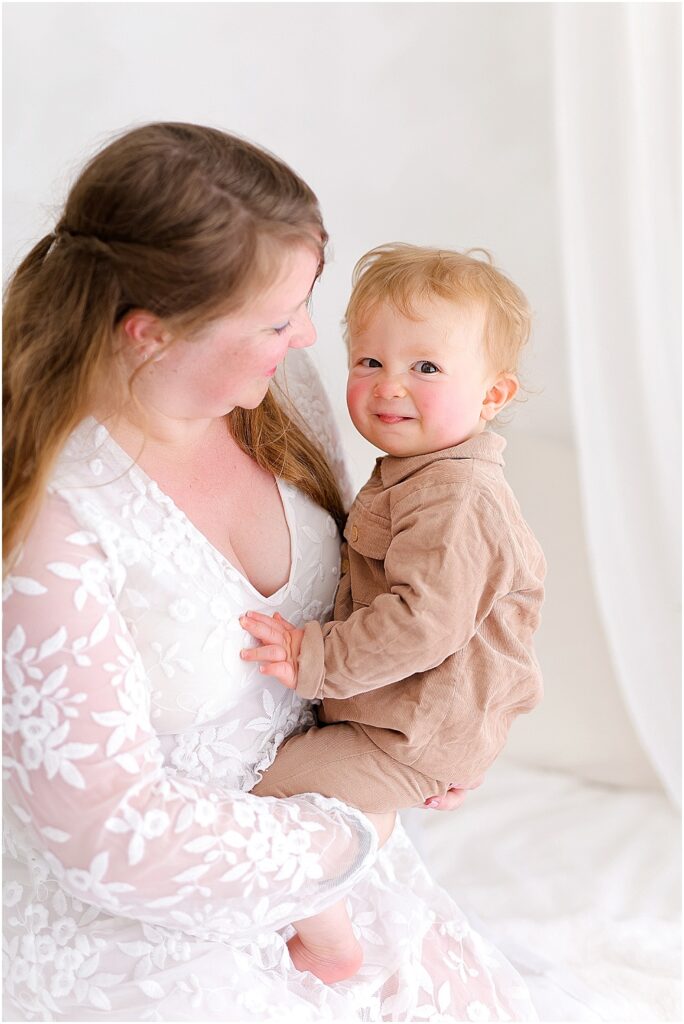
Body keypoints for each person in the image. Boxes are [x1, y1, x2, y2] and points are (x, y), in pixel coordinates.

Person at [2, 122, 538, 1022]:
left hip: (344, 845)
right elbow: (105, 836)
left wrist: (441, 729)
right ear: (150, 337)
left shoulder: (273, 403)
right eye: (278, 318)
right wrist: (344, 832)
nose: (310, 337)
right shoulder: (49, 522)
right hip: (160, 927)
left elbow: (417, 597)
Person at [240, 243, 546, 982]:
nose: (390, 387)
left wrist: (314, 658)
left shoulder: (457, 498)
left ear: (492, 396)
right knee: (333, 789)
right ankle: (356, 855)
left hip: (410, 733)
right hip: (412, 722)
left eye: (427, 368)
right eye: (369, 362)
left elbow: (423, 624)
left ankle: (330, 938)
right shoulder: (417, 474)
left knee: (268, 790)